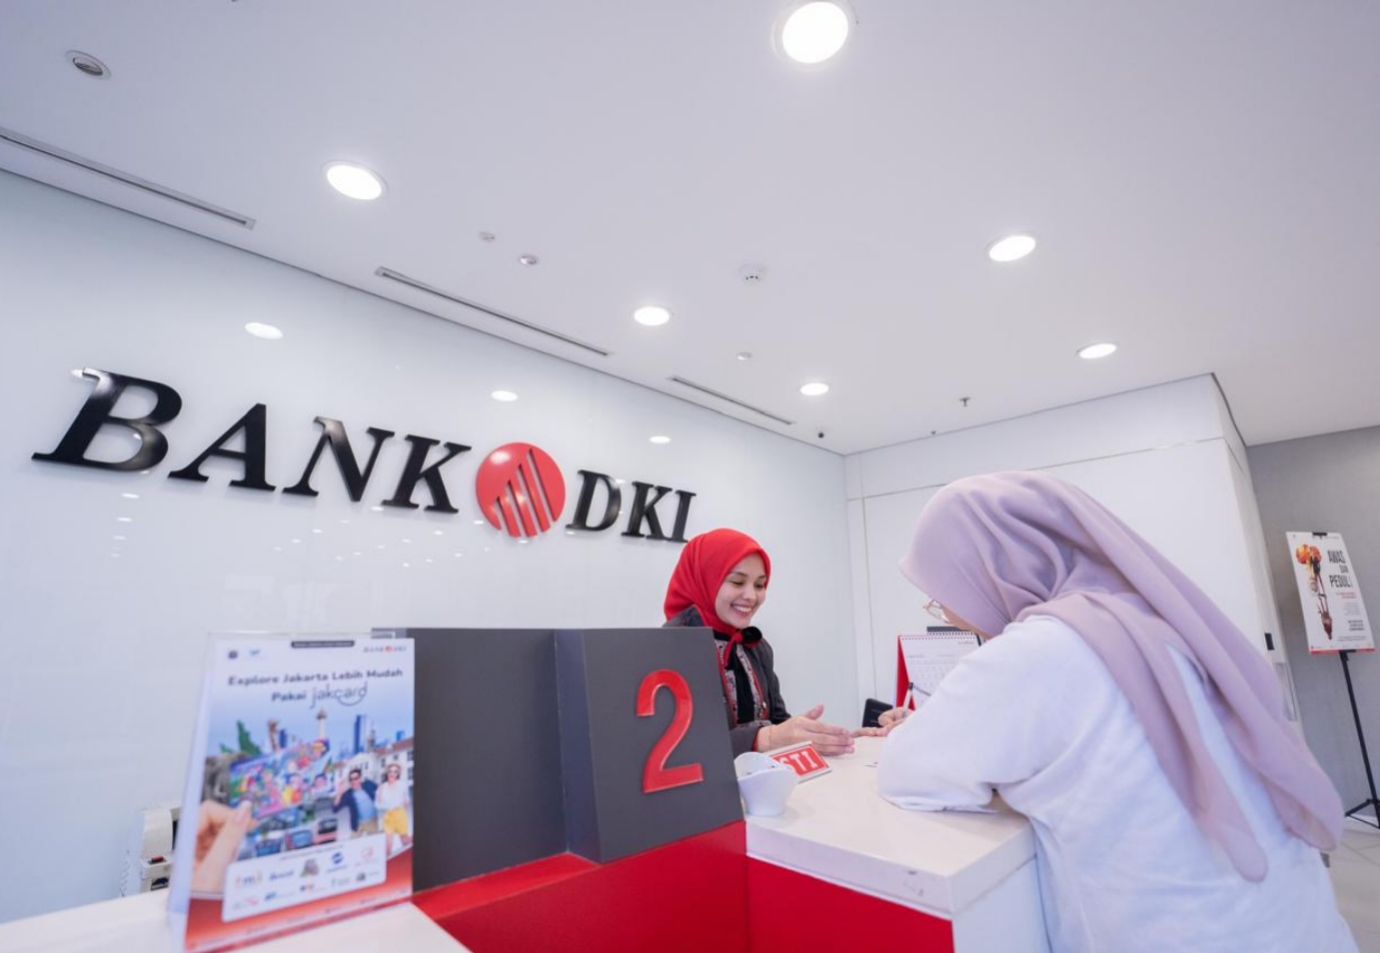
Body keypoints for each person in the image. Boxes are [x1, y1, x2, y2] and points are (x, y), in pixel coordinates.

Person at [875, 472, 1356, 953]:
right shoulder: (1156, 622)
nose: (950, 614)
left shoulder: (1040, 648)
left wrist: (919, 733)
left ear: (989, 569)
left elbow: (907, 772)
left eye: (943, 595)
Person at [663, 528, 853, 758]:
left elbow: (776, 721)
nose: (751, 596)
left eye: (759, 585)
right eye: (737, 582)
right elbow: (682, 746)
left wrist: (827, 738)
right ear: (704, 579)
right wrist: (766, 738)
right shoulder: (672, 646)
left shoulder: (755, 645)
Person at [376, 762, 412, 856]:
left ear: (398, 774)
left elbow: (407, 800)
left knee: (405, 841)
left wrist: (405, 802)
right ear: (387, 773)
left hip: (400, 815)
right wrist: (388, 806)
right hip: (388, 817)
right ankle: (387, 862)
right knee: (388, 846)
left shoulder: (402, 785)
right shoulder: (381, 787)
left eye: (395, 772)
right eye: (390, 771)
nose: (392, 773)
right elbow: (378, 804)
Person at [333, 768, 380, 838]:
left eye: (356, 778)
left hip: (372, 821)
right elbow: (335, 809)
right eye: (351, 779)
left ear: (360, 778)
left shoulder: (368, 784)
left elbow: (381, 789)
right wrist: (339, 792)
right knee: (352, 843)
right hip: (358, 824)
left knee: (374, 841)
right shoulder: (348, 794)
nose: (353, 781)